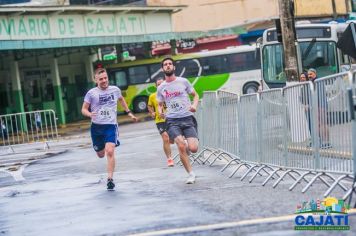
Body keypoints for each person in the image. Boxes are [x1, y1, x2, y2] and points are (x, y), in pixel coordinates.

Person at [81, 67, 138, 190]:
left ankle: (110, 179)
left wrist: (129, 112)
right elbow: (84, 109)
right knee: (101, 154)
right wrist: (90, 114)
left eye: (105, 78)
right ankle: (100, 151)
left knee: (110, 151)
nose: (104, 80)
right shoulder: (91, 93)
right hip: (96, 128)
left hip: (111, 126)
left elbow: (121, 100)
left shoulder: (115, 90)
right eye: (101, 79)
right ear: (96, 80)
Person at [156, 57, 199, 184]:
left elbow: (195, 95)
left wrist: (194, 106)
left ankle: (186, 147)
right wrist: (160, 112)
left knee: (193, 148)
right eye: (165, 64)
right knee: (180, 144)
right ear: (163, 68)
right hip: (172, 120)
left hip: (187, 117)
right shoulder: (161, 87)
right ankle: (190, 174)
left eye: (170, 64)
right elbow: (159, 103)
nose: (168, 66)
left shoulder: (183, 81)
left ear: (174, 67)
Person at [147, 78, 174, 167]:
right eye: (159, 84)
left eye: (162, 84)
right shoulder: (152, 96)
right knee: (165, 138)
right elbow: (149, 106)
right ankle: (169, 158)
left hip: (171, 118)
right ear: (156, 86)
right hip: (160, 120)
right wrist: (152, 112)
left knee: (172, 139)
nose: (160, 86)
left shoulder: (170, 93)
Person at [307, 68, 331, 149]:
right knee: (318, 125)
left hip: (321, 106)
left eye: (311, 74)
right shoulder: (311, 83)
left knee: (323, 124)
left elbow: (320, 95)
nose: (309, 76)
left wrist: (319, 107)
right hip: (316, 107)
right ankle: (320, 141)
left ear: (315, 73)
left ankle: (327, 142)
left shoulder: (319, 81)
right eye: (308, 74)